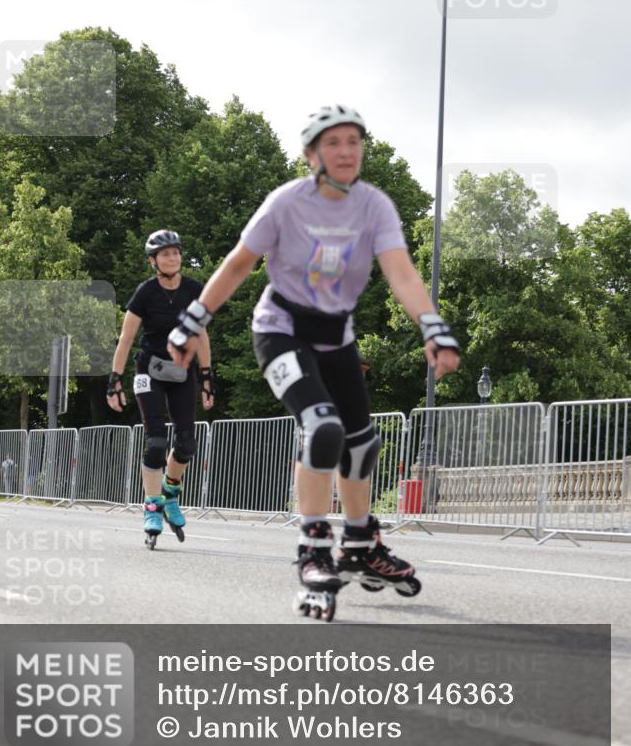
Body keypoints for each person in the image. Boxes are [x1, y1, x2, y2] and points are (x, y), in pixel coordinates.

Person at [167, 105, 460, 616]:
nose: (347, 152)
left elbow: (402, 273)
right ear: (312, 155)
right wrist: (193, 321)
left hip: (335, 338)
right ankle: (312, 550)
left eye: (354, 141)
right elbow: (239, 262)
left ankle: (361, 543)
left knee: (363, 446)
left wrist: (432, 327)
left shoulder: (374, 206)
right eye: (334, 143)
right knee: (323, 429)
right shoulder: (286, 203)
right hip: (281, 330)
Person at [106, 229, 215, 547]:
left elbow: (202, 336)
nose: (173, 258)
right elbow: (126, 339)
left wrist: (207, 377)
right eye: (166, 254)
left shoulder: (195, 289)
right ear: (153, 260)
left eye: (176, 253)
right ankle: (152, 507)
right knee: (155, 442)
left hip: (183, 370)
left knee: (185, 445)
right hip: (149, 370)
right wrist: (115, 380)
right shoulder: (145, 292)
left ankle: (170, 494)